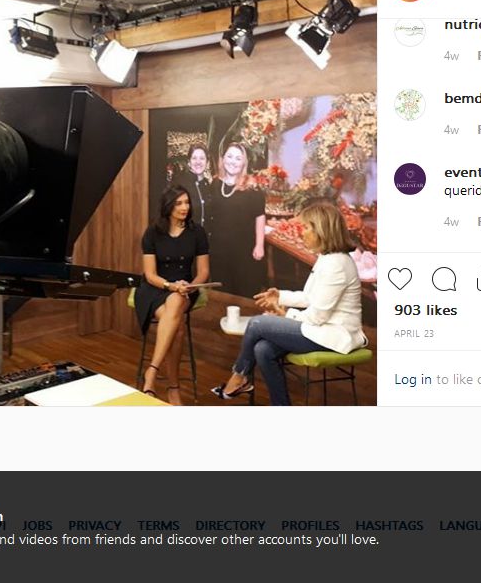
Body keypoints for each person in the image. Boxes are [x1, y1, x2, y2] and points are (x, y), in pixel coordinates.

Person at [212, 203, 366, 405]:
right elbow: (310, 297)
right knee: (263, 350)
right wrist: (280, 297)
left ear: (321, 230)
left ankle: (239, 376)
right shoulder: (328, 258)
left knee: (258, 323)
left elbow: (317, 316)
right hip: (321, 329)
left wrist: (285, 315)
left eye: (306, 227)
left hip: (335, 335)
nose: (302, 233)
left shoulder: (336, 264)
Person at [134, 186, 210, 404]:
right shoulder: (152, 232)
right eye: (179, 203)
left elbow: (203, 272)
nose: (185, 207)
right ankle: (173, 388)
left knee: (176, 302)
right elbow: (150, 275)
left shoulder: (197, 232)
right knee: (177, 328)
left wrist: (190, 287)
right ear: (168, 207)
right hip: (155, 288)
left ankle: (152, 371)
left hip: (185, 288)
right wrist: (171, 286)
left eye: (187, 202)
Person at [208, 142, 266, 297]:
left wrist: (259, 245)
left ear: (244, 163)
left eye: (238, 158)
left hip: (244, 250)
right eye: (230, 156)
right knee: (222, 292)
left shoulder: (252, 188)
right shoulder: (215, 183)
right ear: (223, 159)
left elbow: (260, 216)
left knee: (245, 291)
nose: (233, 161)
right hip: (219, 250)